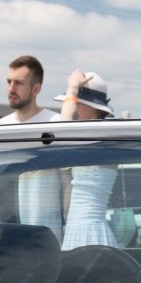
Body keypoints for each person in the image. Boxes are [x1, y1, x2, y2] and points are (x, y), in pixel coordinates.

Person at [55, 70, 119, 250]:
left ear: (95, 108)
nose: (74, 108)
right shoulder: (87, 140)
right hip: (76, 230)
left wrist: (73, 88)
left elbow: (62, 132)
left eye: (78, 103)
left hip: (89, 232)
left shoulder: (103, 140)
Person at [0, 55, 60, 126]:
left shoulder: (56, 123)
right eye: (9, 82)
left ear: (36, 89)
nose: (11, 89)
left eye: (18, 83)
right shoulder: (0, 126)